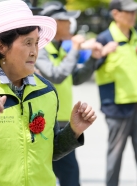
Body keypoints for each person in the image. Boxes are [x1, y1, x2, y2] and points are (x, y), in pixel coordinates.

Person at [0, 1, 97, 186]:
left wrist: (74, 130)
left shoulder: (46, 90)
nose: (35, 51)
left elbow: (49, 151)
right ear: (1, 47)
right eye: (28, 43)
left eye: (36, 43)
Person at [37, 2, 103, 186]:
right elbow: (56, 76)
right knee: (68, 176)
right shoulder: (40, 50)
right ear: (54, 24)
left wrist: (93, 59)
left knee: (68, 176)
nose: (71, 24)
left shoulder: (59, 49)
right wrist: (75, 48)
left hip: (64, 123)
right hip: (46, 123)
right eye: (66, 20)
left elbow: (75, 77)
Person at [94, 0, 137, 185]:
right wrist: (102, 53)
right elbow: (91, 68)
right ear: (116, 14)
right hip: (117, 105)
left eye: (135, 12)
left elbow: (135, 66)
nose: (133, 16)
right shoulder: (104, 39)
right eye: (129, 12)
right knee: (115, 152)